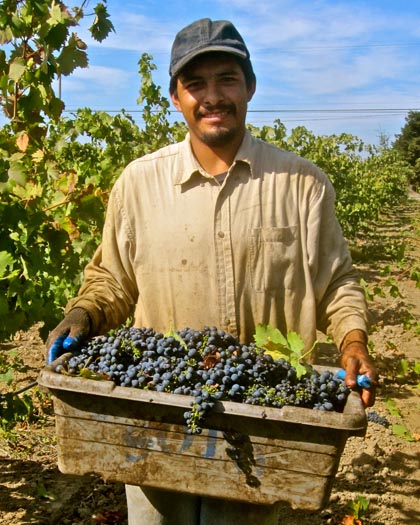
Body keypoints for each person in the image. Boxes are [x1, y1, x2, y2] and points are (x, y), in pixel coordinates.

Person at [46, 18, 378, 525]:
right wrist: (83, 313)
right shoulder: (139, 183)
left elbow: (336, 282)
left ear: (249, 86)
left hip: (264, 422)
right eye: (195, 84)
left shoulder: (303, 184)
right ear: (176, 97)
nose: (212, 97)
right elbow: (111, 280)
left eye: (226, 79)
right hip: (159, 417)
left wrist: (353, 342)